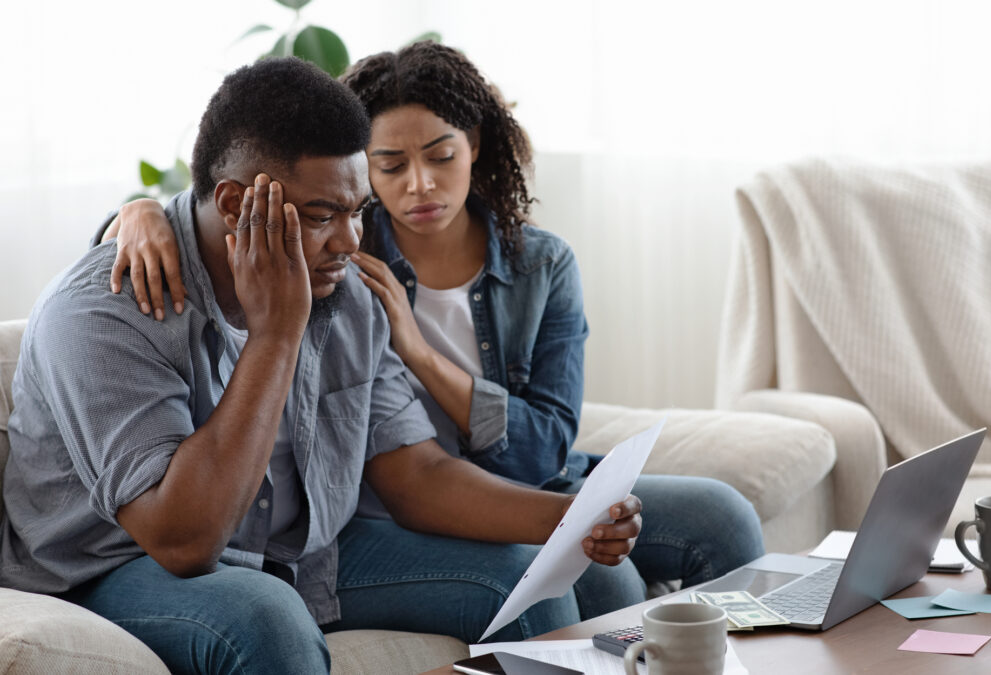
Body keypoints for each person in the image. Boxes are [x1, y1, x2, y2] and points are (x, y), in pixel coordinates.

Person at [0, 57, 646, 675]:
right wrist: (275, 335)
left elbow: (414, 472)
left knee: (519, 576)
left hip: (297, 553)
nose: (349, 241)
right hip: (115, 569)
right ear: (233, 204)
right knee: (262, 611)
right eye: (320, 216)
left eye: (357, 211)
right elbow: (182, 540)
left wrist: (571, 520)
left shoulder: (345, 290)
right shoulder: (104, 312)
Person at [106, 42, 764, 611]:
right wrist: (138, 213)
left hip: (522, 481)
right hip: (394, 500)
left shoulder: (541, 264)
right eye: (389, 166)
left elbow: (541, 451)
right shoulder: (338, 256)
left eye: (441, 156)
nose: (419, 184)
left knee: (723, 515)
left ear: (473, 146)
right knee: (608, 583)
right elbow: (204, 232)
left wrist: (419, 353)